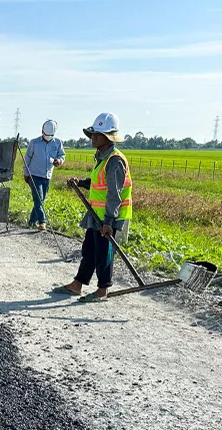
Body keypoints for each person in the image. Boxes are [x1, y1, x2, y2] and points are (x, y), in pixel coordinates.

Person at [53, 113, 133, 303]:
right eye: (93, 133)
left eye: (97, 134)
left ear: (108, 138)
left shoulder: (114, 161)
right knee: (89, 249)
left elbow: (115, 194)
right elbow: (99, 184)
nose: (93, 137)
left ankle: (103, 289)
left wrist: (108, 221)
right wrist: (80, 182)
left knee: (103, 252)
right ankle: (78, 284)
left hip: (109, 216)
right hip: (96, 213)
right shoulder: (101, 157)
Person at [23, 120, 66, 230]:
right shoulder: (34, 143)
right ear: (42, 131)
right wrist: (26, 173)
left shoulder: (58, 143)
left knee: (40, 200)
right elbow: (27, 158)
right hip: (34, 174)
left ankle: (32, 221)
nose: (47, 137)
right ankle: (42, 222)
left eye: (50, 135)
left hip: (47, 176)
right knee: (38, 197)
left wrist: (59, 161)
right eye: (46, 134)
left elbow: (62, 156)